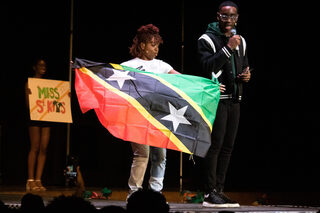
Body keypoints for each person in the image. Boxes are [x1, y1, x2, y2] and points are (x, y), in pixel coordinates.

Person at [197, 1, 251, 208]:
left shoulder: (241, 40)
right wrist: (228, 48)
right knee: (215, 145)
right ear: (218, 16)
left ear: (237, 18)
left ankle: (219, 189)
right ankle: (209, 191)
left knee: (228, 147)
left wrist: (246, 75)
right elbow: (207, 66)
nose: (229, 20)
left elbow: (244, 64)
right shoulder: (206, 39)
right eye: (225, 16)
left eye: (233, 16)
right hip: (217, 99)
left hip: (235, 99)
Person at [121, 24, 180, 198]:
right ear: (142, 45)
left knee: (160, 156)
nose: (156, 49)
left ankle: (156, 193)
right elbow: (105, 77)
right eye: (153, 45)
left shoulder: (161, 65)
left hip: (159, 117)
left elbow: (181, 79)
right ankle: (134, 193)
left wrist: (206, 85)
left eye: (158, 46)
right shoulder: (127, 66)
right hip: (137, 117)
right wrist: (83, 68)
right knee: (142, 153)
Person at [25, 58, 52, 191]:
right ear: (34, 67)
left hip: (47, 116)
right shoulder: (30, 83)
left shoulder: (48, 84)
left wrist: (65, 95)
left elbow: (55, 98)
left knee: (44, 148)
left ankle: (38, 179)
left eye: (44, 64)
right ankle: (30, 180)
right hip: (35, 116)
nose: (43, 66)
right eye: (40, 65)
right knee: (34, 147)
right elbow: (28, 104)